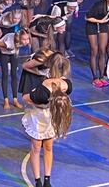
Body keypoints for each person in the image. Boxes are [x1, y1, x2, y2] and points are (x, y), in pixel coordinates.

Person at [22, 53, 72, 187]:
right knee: (43, 147)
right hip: (44, 118)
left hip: (45, 116)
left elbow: (26, 98)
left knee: (39, 148)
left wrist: (36, 97)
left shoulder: (44, 88)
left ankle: (44, 180)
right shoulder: (66, 84)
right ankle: (40, 180)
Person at [0, 28, 31, 109]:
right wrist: (4, 48)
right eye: (24, 39)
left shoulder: (23, 41)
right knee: (5, 75)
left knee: (14, 75)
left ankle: (15, 100)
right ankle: (6, 100)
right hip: (5, 53)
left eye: (27, 39)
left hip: (13, 53)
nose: (26, 41)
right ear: (19, 39)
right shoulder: (10, 42)